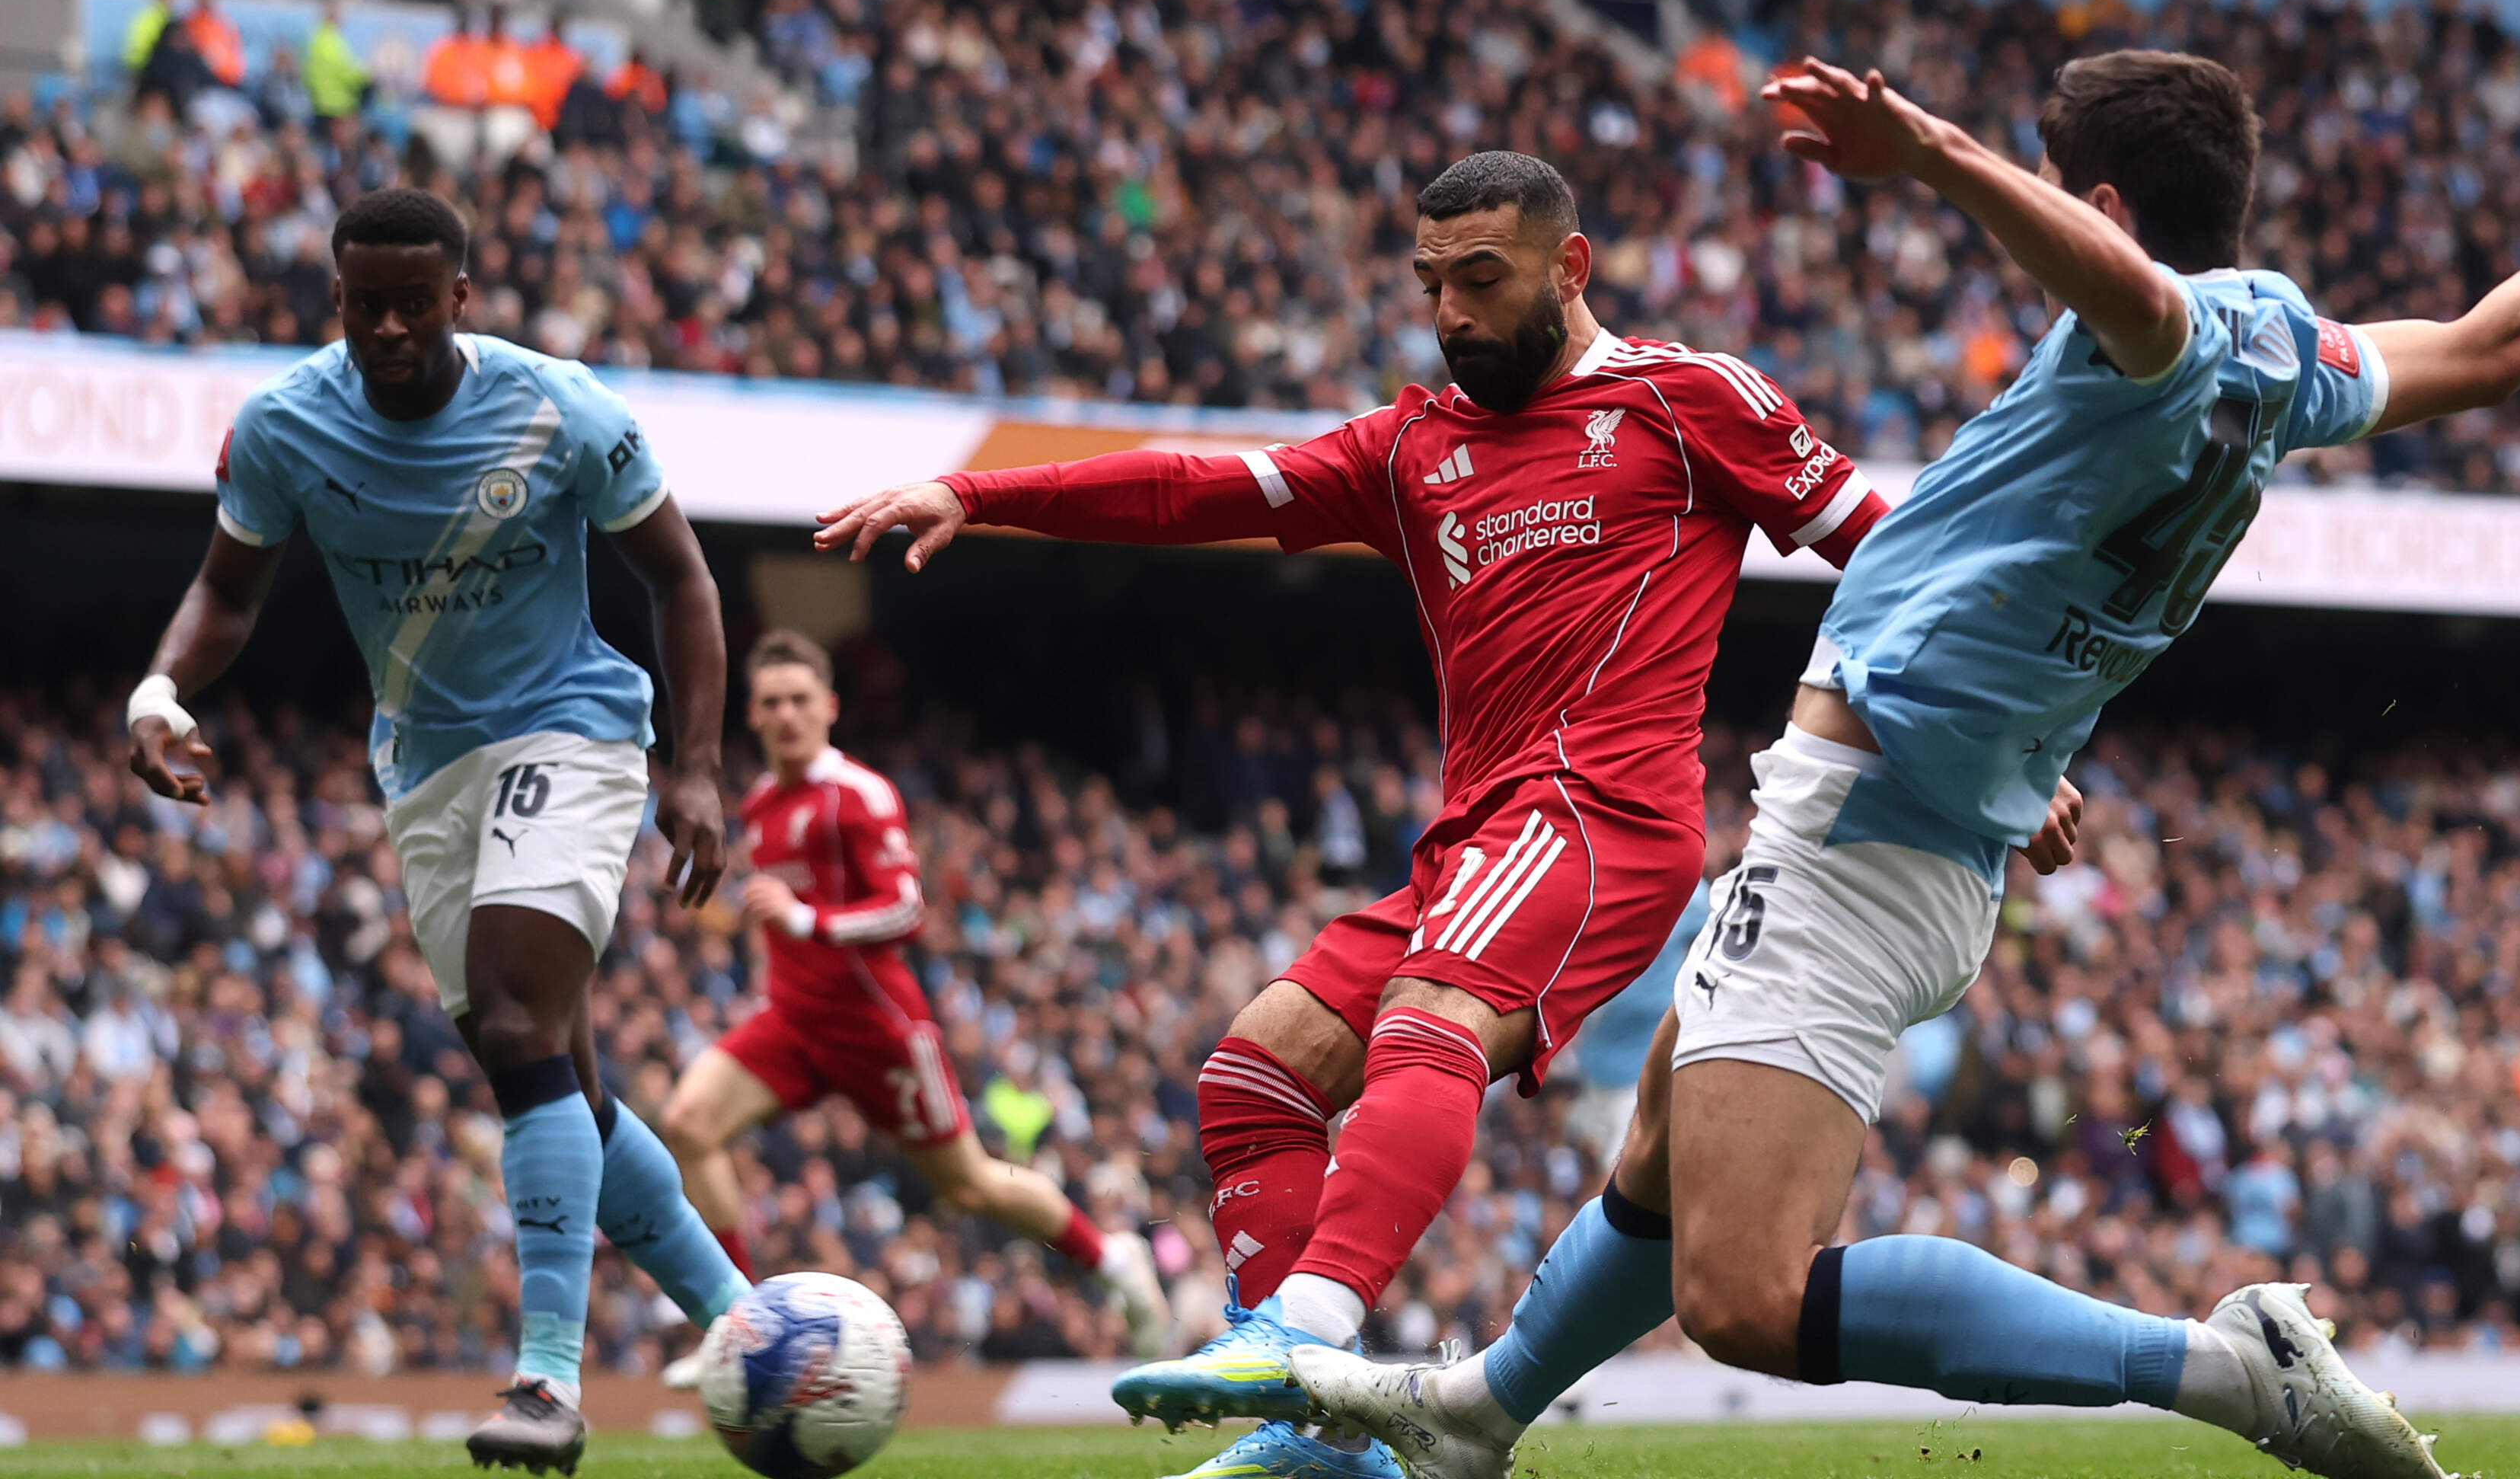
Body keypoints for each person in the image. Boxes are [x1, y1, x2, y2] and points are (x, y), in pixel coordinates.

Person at [1293, 57, 2520, 1479]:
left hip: (1861, 835)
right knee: (1668, 1136)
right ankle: (1479, 1415)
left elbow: (2136, 303)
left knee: (1743, 1293)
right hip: (1938, 814)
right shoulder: (2278, 346)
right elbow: (2496, 345)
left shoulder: (2167, 335)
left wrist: (1930, 152)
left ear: (2107, 207)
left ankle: (2225, 1370)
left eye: (2061, 187)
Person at [814, 150, 1899, 1479]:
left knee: (1428, 1016)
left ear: (1572, 267)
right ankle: (1318, 1441)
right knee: (1253, 1076)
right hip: (1479, 838)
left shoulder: (1687, 401)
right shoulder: (1410, 450)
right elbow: (1192, 487)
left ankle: (1306, 1336)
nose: (1450, 312)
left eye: (1482, 280)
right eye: (1431, 282)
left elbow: (1893, 553)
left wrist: (1982, 738)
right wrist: (979, 496)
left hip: (1601, 813)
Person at [125, 187, 753, 1474]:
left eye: (420, 302)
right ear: (338, 302)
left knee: (520, 1023)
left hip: (570, 731)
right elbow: (226, 592)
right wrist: (159, 691)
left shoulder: (559, 408)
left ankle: (547, 1384)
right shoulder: (289, 426)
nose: (394, 328)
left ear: (463, 298)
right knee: (557, 1081)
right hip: (423, 769)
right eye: (369, 306)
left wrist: (697, 768)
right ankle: (741, 1320)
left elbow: (679, 576)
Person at [654, 628, 1171, 1383]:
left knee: (969, 1185)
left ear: (829, 707)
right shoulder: (761, 804)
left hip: (877, 1027)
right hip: (795, 1022)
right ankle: (735, 1323)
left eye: (801, 699)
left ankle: (1112, 1258)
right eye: (771, 703)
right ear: (755, 717)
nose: (787, 714)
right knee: (687, 1123)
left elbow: (905, 909)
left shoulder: (859, 796)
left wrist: (810, 920)